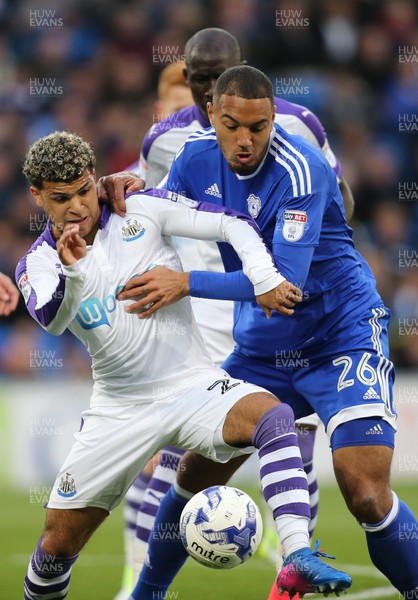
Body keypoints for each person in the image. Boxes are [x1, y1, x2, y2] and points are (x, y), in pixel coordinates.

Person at [115, 66, 418, 599]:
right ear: (212, 114)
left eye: (258, 127)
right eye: (232, 125)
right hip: (264, 345)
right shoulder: (193, 158)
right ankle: (146, 594)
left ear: (273, 119)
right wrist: (121, 194)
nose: (245, 140)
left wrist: (185, 282)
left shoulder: (300, 172)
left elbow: (281, 283)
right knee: (193, 474)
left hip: (338, 332)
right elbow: (154, 216)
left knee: (365, 492)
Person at [17, 131, 352, 600]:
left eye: (82, 190)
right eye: (60, 198)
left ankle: (295, 554)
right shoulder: (39, 264)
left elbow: (233, 224)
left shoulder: (144, 208)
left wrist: (264, 278)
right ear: (37, 197)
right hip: (119, 409)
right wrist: (75, 272)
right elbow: (53, 319)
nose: (77, 206)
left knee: (275, 416)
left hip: (192, 383)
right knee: (55, 548)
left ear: (94, 179)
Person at [115, 59, 193, 600]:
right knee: (151, 462)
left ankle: (289, 550)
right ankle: (134, 583)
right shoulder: (129, 184)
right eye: (177, 96)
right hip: (158, 335)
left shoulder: (224, 167)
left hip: (222, 320)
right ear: (158, 110)